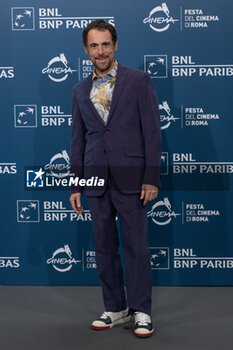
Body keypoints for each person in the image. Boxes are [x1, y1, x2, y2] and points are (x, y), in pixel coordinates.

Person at [70, 19, 161, 338]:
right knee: (104, 246)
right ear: (86, 50)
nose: (100, 51)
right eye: (94, 45)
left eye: (105, 44)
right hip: (95, 179)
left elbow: (151, 133)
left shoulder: (138, 81)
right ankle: (116, 308)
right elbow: (78, 139)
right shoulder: (79, 90)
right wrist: (76, 182)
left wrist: (151, 177)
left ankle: (142, 311)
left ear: (115, 45)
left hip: (132, 178)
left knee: (136, 246)